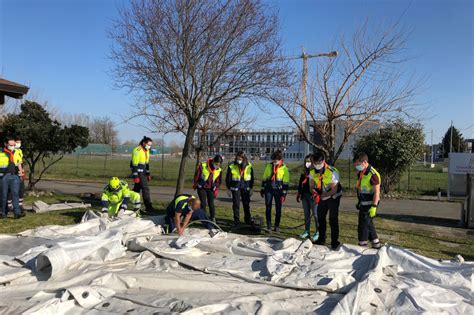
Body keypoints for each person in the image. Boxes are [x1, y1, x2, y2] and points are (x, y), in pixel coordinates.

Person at [310, 151, 342, 250]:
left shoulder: (332, 171)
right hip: (322, 196)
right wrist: (315, 194)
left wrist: (322, 195)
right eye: (315, 164)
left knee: (333, 219)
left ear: (323, 161)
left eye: (319, 163)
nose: (317, 166)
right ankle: (321, 239)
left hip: (333, 196)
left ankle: (334, 242)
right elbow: (311, 186)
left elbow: (334, 189)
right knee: (320, 218)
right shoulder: (312, 172)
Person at [354, 152, 382, 249]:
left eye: (358, 164)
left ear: (365, 162)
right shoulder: (362, 173)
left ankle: (362, 245)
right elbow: (361, 188)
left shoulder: (373, 174)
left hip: (370, 204)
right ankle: (376, 243)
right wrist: (359, 201)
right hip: (363, 203)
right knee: (368, 223)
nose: (356, 166)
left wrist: (374, 206)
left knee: (363, 225)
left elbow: (377, 192)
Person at [260, 150, 289, 232]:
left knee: (278, 208)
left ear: (280, 159)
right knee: (268, 207)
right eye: (273, 159)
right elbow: (264, 177)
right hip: (268, 189)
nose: (274, 161)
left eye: (276, 160)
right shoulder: (269, 166)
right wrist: (262, 189)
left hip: (278, 191)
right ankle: (269, 225)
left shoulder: (284, 168)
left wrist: (284, 194)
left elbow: (286, 182)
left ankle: (277, 225)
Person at [225, 151, 254, 225]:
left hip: (245, 187)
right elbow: (228, 178)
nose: (239, 160)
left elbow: (252, 178)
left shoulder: (249, 165)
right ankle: (236, 220)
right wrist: (228, 188)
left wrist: (251, 188)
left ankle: (247, 220)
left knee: (246, 204)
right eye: (237, 158)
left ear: (243, 158)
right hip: (235, 188)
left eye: (240, 158)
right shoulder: (232, 165)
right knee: (236, 205)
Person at [0, 136, 24, 219]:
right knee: (3, 195)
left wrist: (21, 174)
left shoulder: (16, 152)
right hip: (3, 176)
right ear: (5, 144)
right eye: (10, 145)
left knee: (15, 194)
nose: (12, 146)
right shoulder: (1, 152)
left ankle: (17, 212)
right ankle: (3, 212)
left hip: (15, 176)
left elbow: (19, 163)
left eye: (13, 145)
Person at [193, 155, 222, 222]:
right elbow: (197, 176)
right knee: (203, 203)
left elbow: (218, 180)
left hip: (211, 188)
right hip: (202, 187)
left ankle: (213, 218)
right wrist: (197, 184)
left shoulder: (219, 170)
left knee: (211, 203)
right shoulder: (203, 165)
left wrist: (215, 185)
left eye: (219, 165)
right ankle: (203, 218)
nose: (217, 166)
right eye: (216, 164)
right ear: (213, 161)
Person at [296, 154, 319, 242]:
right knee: (306, 214)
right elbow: (300, 183)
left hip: (313, 196)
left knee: (316, 215)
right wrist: (299, 193)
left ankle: (318, 232)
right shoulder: (304, 173)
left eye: (309, 161)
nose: (307, 163)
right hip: (304, 195)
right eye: (306, 162)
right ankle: (307, 231)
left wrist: (317, 194)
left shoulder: (316, 172)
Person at [131, 136, 154, 213]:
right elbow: (134, 164)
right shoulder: (137, 150)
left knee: (136, 189)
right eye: (148, 144)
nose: (149, 146)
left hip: (143, 172)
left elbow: (146, 163)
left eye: (151, 145)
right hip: (138, 172)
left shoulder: (147, 151)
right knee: (145, 188)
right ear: (144, 143)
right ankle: (148, 207)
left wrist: (148, 173)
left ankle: (125, 200)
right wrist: (135, 175)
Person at [7, 137, 26, 215]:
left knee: (21, 188)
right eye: (17, 142)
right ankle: (9, 205)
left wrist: (21, 172)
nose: (18, 144)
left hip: (19, 170)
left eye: (20, 142)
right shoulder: (11, 151)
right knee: (11, 189)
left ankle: (20, 204)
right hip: (13, 171)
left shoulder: (19, 151)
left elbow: (19, 162)